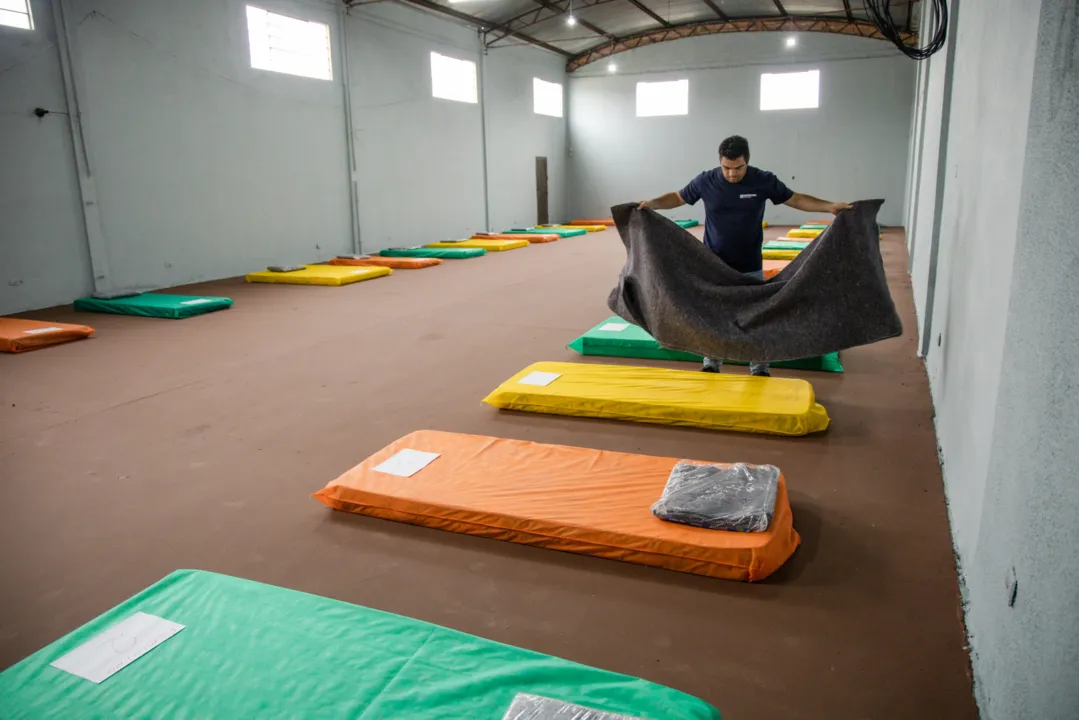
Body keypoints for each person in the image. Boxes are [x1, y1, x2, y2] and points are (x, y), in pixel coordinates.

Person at [638, 134, 851, 377]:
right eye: (726, 168)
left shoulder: (762, 180)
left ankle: (758, 365)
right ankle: (712, 361)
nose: (732, 174)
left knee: (754, 316)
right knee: (714, 313)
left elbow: (796, 199)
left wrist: (830, 206)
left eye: (738, 168)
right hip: (714, 263)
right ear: (720, 162)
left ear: (746, 162)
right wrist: (652, 203)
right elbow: (677, 197)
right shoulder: (706, 180)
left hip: (750, 263)